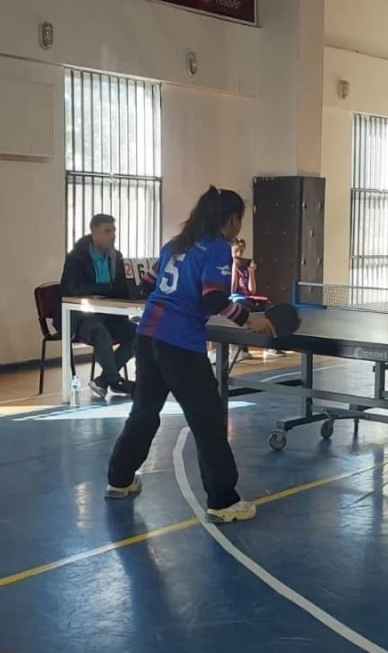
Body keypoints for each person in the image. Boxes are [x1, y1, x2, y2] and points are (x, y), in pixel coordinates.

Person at [105, 186, 276, 524]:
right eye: (240, 219)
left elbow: (147, 284)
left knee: (143, 412)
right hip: (180, 343)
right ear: (232, 219)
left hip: (148, 336)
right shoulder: (217, 247)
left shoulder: (175, 243)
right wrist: (249, 319)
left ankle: (119, 480)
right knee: (207, 420)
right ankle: (223, 501)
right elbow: (213, 297)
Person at [58, 213, 137, 398]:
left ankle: (104, 380)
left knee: (139, 334)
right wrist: (104, 289)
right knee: (100, 334)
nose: (113, 235)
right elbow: (71, 288)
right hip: (82, 316)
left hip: (110, 315)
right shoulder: (76, 258)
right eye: (107, 231)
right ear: (94, 234)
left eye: (114, 231)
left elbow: (120, 287)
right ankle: (115, 381)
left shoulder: (116, 257)